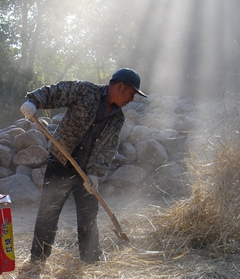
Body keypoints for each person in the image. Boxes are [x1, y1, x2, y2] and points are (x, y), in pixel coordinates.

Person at [20, 68, 146, 264]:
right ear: (121, 86)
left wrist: (95, 174)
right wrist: (33, 101)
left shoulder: (117, 119)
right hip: (61, 161)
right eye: (131, 93)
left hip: (86, 173)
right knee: (49, 212)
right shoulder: (85, 91)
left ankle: (91, 260)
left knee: (89, 216)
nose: (132, 99)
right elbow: (57, 91)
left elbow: (108, 149)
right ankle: (38, 260)